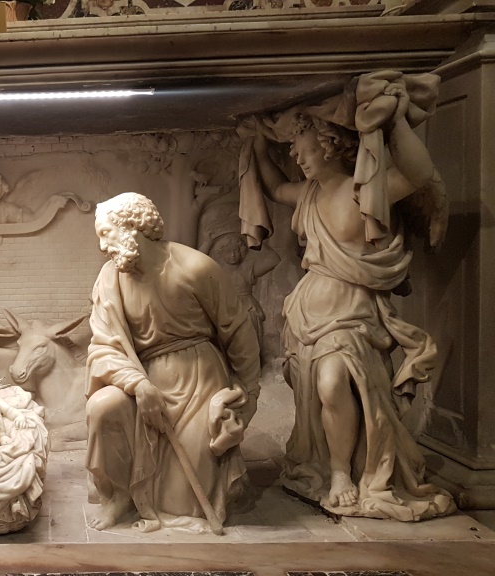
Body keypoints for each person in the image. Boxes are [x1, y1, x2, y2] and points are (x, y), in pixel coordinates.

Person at [245, 75, 455, 520]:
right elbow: (274, 188)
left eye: (302, 148)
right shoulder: (308, 194)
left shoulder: (365, 191)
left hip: (354, 317)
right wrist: (258, 144)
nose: (296, 157)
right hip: (306, 318)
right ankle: (328, 467)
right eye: (292, 150)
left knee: (332, 383)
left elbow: (417, 174)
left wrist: (394, 120)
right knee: (315, 400)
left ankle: (342, 474)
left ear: (329, 144)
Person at [85, 192, 260, 533]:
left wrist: (248, 394)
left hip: (199, 381)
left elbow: (238, 331)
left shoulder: (196, 268)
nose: (102, 247)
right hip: (140, 377)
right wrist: (139, 385)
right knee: (102, 408)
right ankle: (120, 495)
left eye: (106, 233)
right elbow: (104, 346)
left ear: (132, 227)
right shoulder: (110, 278)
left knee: (182, 503)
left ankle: (178, 496)